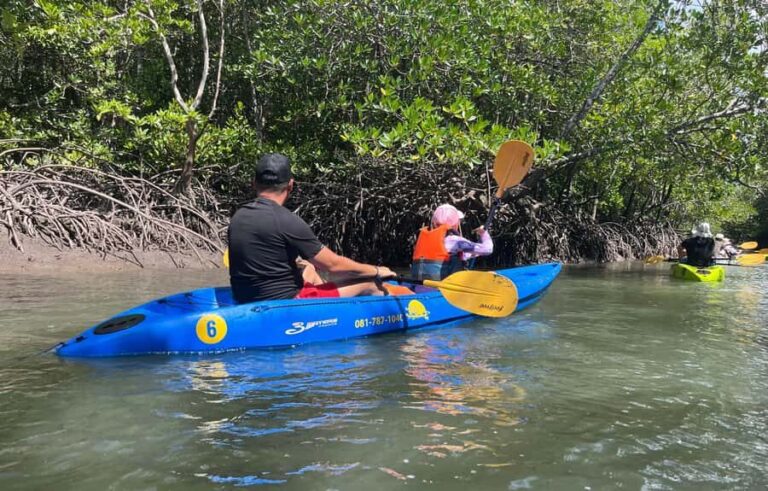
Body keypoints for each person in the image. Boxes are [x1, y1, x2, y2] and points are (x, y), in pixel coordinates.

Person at [227, 153, 395, 304]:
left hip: (244, 298)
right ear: (291, 185)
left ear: (254, 183)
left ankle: (330, 303)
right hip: (287, 303)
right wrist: (376, 270)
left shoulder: (238, 217)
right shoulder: (287, 220)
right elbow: (333, 264)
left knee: (309, 267)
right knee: (369, 283)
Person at [410, 204, 493, 280]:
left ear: (434, 221)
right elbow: (488, 249)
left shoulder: (423, 238)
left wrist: (470, 254)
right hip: (443, 288)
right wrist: (484, 234)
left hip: (420, 286)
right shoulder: (455, 241)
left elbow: (446, 255)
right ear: (455, 222)